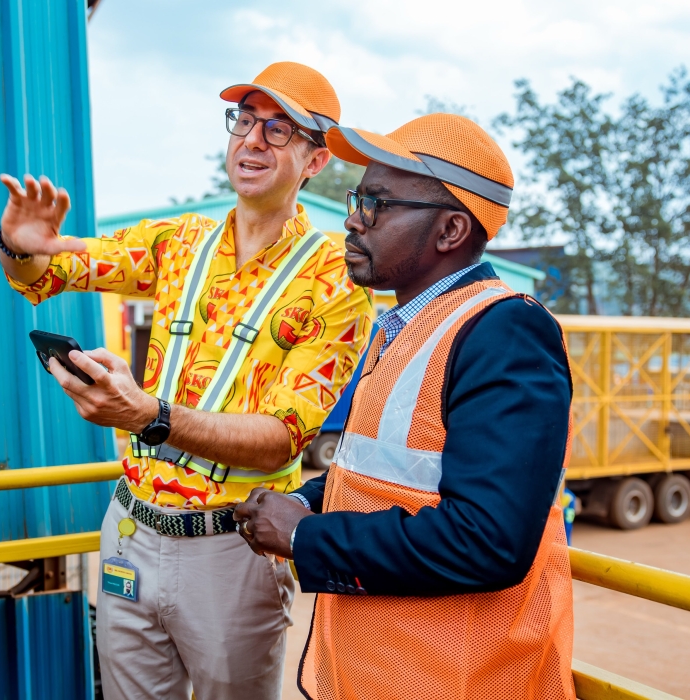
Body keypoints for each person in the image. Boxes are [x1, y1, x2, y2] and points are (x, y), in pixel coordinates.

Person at [0, 62, 373, 700]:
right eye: (245, 122)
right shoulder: (179, 241)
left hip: (231, 550)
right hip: (130, 533)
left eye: (279, 131)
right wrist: (20, 243)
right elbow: (52, 268)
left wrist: (151, 416)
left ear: (315, 162)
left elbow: (281, 438)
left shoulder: (336, 283)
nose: (252, 141)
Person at [234, 113, 575, 699]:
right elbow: (385, 473)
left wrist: (305, 538)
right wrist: (303, 500)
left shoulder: (504, 331)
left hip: (462, 684)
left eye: (376, 204)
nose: (352, 220)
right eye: (355, 199)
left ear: (449, 231)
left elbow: (489, 540)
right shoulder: (408, 326)